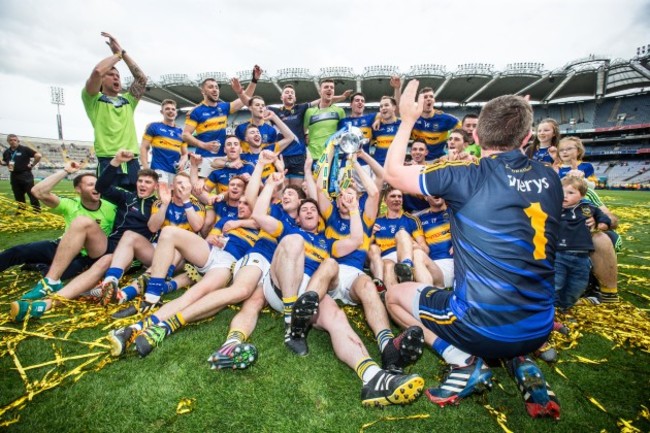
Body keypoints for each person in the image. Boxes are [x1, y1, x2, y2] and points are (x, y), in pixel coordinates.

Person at [383, 80, 563, 420]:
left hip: (483, 327)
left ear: (476, 138)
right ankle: (520, 362)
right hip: (539, 325)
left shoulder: (464, 175)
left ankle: (463, 362)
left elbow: (394, 173)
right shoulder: (550, 178)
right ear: (527, 139)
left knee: (395, 296)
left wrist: (407, 119)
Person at [11, 150, 159, 321]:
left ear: (155, 186)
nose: (142, 184)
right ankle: (51, 280)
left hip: (128, 255)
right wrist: (116, 162)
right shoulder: (127, 197)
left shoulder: (157, 204)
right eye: (140, 181)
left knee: (105, 261)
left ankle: (45, 305)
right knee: (82, 221)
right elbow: (100, 187)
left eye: (148, 182)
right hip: (108, 245)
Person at [0, 161, 116, 279]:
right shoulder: (70, 204)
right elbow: (38, 192)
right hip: (63, 247)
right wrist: (65, 171)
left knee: (57, 275)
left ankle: (39, 266)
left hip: (86, 256)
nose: (97, 187)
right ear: (78, 189)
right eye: (90, 184)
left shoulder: (112, 209)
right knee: (18, 251)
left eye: (98, 184)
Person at [82, 32, 147, 190]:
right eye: (110, 75)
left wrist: (123, 53)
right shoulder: (93, 99)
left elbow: (142, 79)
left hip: (131, 161)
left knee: (133, 204)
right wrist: (116, 55)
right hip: (108, 160)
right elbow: (97, 72)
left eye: (117, 75)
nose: (116, 78)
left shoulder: (128, 100)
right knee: (109, 203)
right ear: (101, 81)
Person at [182, 66, 259, 177]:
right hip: (204, 158)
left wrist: (254, 80)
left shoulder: (224, 107)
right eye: (211, 87)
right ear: (203, 91)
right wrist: (204, 145)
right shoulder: (197, 111)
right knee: (199, 190)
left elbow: (245, 99)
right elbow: (185, 134)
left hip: (222, 158)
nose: (215, 90)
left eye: (217, 87)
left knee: (223, 190)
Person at [268, 84, 351, 186]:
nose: (290, 94)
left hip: (298, 156)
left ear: (295, 98)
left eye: (292, 93)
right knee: (281, 189)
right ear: (281, 97)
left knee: (296, 190)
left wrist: (341, 97)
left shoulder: (301, 109)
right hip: (281, 156)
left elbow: (322, 100)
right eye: (287, 92)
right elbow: (253, 105)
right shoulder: (274, 111)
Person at [555, 176, 611, 310]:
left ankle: (565, 308)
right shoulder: (554, 208)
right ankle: (549, 310)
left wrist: (603, 223)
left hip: (582, 258)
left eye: (570, 193)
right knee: (555, 284)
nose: (565, 196)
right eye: (561, 192)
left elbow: (602, 215)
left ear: (582, 195)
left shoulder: (587, 208)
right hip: (559, 255)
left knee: (577, 286)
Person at [367, 187, 427, 288]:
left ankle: (406, 269)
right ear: (385, 201)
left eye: (399, 196)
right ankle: (392, 295)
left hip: (406, 255)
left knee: (402, 234)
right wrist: (370, 233)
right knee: (388, 266)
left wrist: (415, 245)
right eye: (393, 196)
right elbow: (365, 249)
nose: (397, 199)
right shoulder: (377, 222)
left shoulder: (412, 219)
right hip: (386, 258)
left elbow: (424, 247)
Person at [140, 99, 188, 184]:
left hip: (174, 171)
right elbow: (144, 147)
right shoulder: (153, 127)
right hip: (158, 169)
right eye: (167, 109)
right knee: (163, 191)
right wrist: (146, 168)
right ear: (161, 112)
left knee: (172, 196)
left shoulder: (181, 132)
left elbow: (185, 154)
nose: (170, 111)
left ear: (176, 112)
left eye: (173, 109)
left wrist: (182, 162)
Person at [409, 87, 461, 160]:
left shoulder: (445, 118)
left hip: (439, 160)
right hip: (418, 160)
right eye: (425, 97)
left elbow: (464, 131)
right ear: (419, 102)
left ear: (434, 100)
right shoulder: (412, 119)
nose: (429, 99)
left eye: (431, 97)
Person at [304, 79, 347, 160]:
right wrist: (306, 135)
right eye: (326, 87)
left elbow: (344, 132)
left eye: (332, 87)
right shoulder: (309, 112)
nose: (329, 89)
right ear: (320, 91)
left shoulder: (340, 111)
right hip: (314, 157)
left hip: (331, 158)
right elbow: (302, 131)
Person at [1, 134, 41, 211]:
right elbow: (5, 162)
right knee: (18, 194)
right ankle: (21, 210)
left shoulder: (24, 149)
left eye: (14, 140)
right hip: (14, 175)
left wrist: (32, 164)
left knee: (31, 193)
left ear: (18, 141)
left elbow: (38, 155)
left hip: (26, 175)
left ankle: (37, 210)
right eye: (11, 140)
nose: (13, 142)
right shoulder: (6, 152)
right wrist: (1, 162)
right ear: (8, 141)